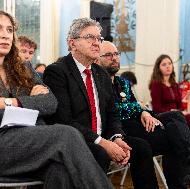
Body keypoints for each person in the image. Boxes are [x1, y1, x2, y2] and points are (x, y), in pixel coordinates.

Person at [0, 10, 114, 189]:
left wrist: (11, 102)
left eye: (9, 30)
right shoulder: (57, 70)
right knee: (66, 134)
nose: (5, 35)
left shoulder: (23, 68)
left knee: (61, 170)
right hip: (4, 146)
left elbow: (50, 103)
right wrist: (32, 100)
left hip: (30, 143)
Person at [98, 41, 190, 189]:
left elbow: (137, 106)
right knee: (174, 135)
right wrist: (140, 108)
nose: (114, 58)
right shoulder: (98, 82)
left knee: (176, 117)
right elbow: (116, 110)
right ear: (97, 59)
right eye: (108, 55)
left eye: (116, 54)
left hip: (139, 123)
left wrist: (144, 111)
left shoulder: (122, 82)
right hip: (121, 129)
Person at [43, 18, 158, 189]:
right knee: (99, 153)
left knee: (140, 148)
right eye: (90, 37)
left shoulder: (101, 74)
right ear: (72, 43)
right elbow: (63, 120)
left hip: (104, 137)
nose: (97, 43)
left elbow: (112, 115)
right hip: (77, 140)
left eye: (99, 38)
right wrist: (103, 143)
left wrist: (116, 138)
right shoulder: (57, 71)